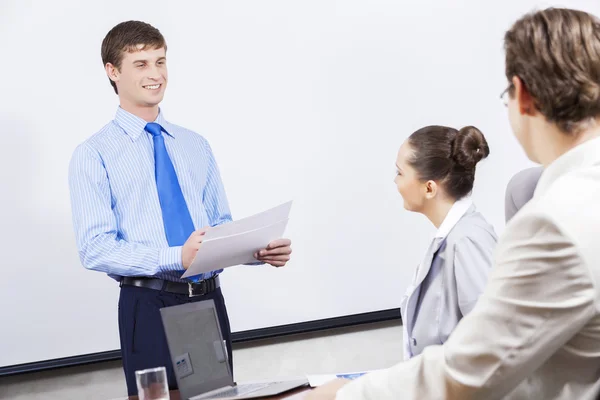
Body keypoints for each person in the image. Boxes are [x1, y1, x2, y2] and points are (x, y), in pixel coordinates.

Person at [308, 7, 600, 399]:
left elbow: (470, 370)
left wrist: (344, 394)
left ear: (524, 95)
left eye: (506, 95)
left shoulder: (553, 221)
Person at [68, 21, 292, 396]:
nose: (155, 74)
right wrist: (177, 255)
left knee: (217, 398)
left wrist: (257, 250)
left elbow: (219, 225)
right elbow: (95, 248)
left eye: (160, 61)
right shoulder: (93, 155)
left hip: (207, 301)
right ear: (112, 71)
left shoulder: (194, 145)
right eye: (140, 64)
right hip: (148, 304)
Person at [396, 125, 497, 360]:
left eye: (400, 173)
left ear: (429, 188)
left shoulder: (467, 240)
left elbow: (491, 341)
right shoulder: (452, 236)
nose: (395, 181)